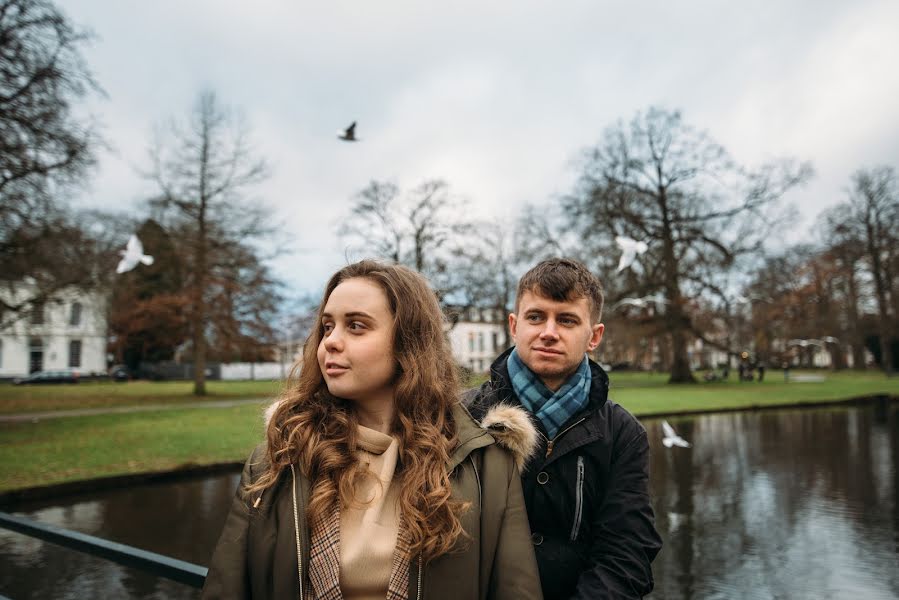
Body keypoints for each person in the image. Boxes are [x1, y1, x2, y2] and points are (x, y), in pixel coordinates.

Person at [203, 260, 542, 600]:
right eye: (327, 327)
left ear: (408, 343)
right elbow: (226, 587)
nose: (331, 342)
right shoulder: (278, 458)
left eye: (356, 326)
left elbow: (516, 590)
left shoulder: (486, 465)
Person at [465, 258, 662, 600]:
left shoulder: (622, 433)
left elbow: (626, 553)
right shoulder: (463, 415)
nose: (549, 332)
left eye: (567, 320)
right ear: (515, 326)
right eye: (536, 317)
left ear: (594, 336)